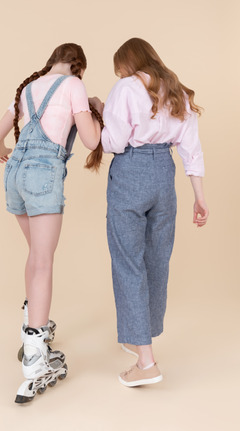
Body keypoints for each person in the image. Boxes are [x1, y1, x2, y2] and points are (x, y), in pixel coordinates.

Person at [0, 43, 102, 403]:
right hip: (43, 176)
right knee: (43, 262)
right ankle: (36, 359)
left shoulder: (28, 87)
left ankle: (32, 328)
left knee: (35, 257)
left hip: (15, 173)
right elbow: (91, 140)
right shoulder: (74, 86)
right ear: (77, 66)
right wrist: (96, 109)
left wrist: (2, 153)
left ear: (51, 60)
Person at [101, 38, 209, 387]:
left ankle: (146, 363)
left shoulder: (126, 88)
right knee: (156, 259)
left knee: (128, 261)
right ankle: (139, 335)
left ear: (128, 64)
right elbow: (191, 148)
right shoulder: (174, 88)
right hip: (165, 174)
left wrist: (101, 115)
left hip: (132, 172)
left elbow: (114, 143)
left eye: (120, 69)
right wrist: (199, 197)